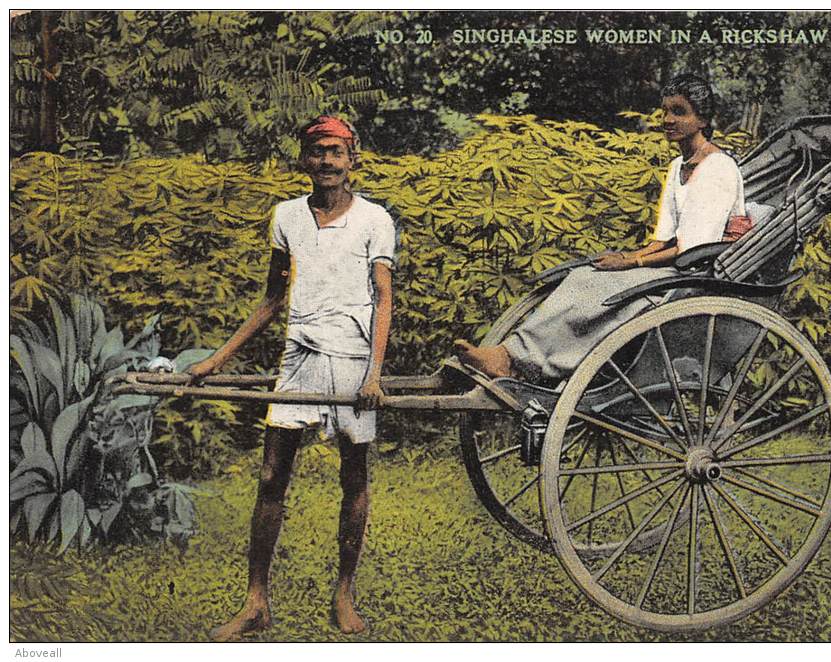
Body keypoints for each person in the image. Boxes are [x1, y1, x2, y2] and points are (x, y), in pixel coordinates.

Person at [186, 116, 396, 638]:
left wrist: (374, 373)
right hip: (299, 356)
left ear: (353, 158)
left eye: (336, 152)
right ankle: (256, 601)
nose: (327, 161)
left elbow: (383, 299)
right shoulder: (285, 217)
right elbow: (272, 300)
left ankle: (344, 594)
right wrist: (216, 360)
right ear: (305, 159)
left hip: (351, 358)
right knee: (270, 477)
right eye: (318, 152)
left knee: (354, 478)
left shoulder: (375, 220)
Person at [456, 73, 748, 381]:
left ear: (702, 119)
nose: (667, 120)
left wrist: (632, 263)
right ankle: (511, 356)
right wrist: (623, 260)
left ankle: (522, 362)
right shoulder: (678, 166)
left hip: (695, 278)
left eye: (679, 112)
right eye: (665, 111)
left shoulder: (718, 168)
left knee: (601, 291)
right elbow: (662, 239)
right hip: (675, 267)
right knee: (583, 277)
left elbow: (691, 250)